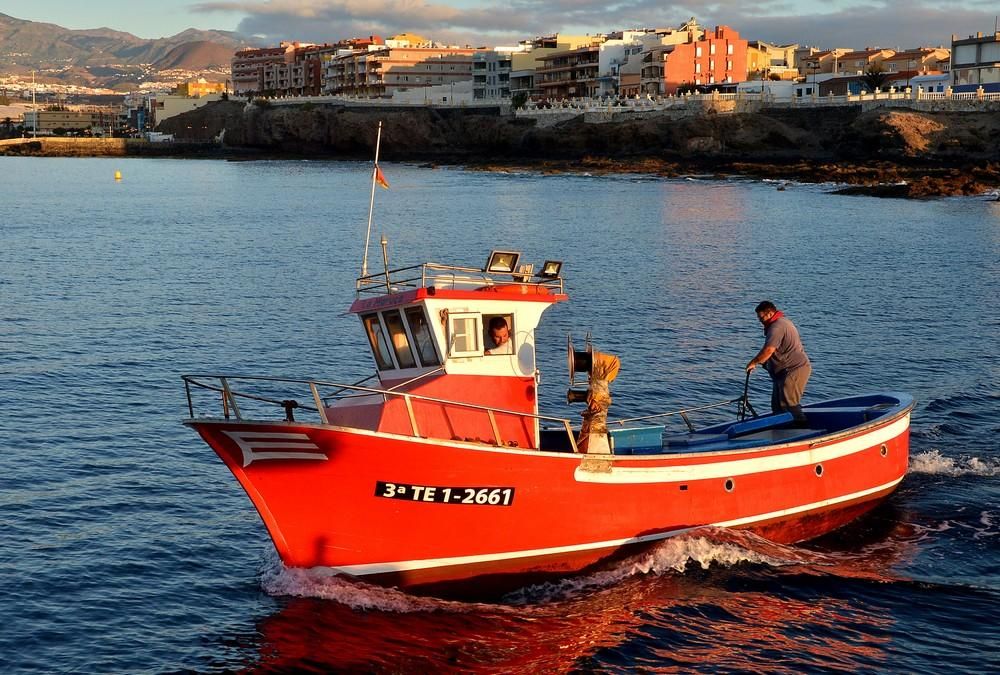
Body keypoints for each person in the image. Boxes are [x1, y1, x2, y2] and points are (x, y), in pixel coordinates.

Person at [745, 301, 811, 424]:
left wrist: (753, 362)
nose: (760, 321)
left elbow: (769, 350)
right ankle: (782, 431)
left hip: (794, 369)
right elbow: (777, 352)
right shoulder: (781, 323)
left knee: (788, 404)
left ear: (769, 313)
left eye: (761, 317)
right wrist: (764, 364)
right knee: (777, 406)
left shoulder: (777, 326)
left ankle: (801, 430)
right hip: (782, 372)